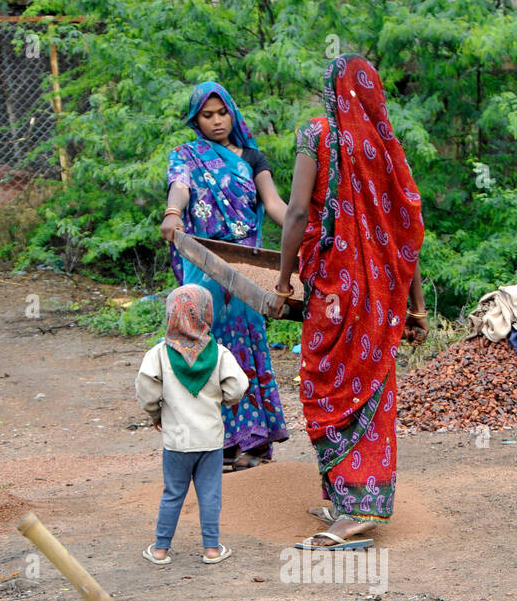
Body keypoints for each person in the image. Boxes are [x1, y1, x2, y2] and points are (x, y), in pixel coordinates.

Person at [275, 54, 428, 549]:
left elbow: (297, 212)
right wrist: (415, 307)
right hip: (380, 297)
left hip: (336, 292)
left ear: (328, 89)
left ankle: (357, 510)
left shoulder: (315, 135)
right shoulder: (386, 147)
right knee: (370, 389)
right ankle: (349, 495)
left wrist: (282, 281)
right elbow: (404, 235)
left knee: (326, 387)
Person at [160, 81, 289, 471]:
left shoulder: (252, 157)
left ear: (233, 112)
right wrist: (172, 213)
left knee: (248, 349)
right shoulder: (186, 157)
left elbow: (275, 205)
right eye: (207, 115)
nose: (217, 121)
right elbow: (180, 188)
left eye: (222, 113)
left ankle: (253, 442)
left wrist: (309, 231)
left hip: (246, 269)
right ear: (195, 120)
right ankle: (217, 444)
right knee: (206, 350)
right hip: (205, 265)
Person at [135, 284, 248, 566]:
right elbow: (237, 387)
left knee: (173, 493)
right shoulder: (219, 354)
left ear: (171, 313)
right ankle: (211, 549)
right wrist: (221, 400)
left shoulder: (159, 354)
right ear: (206, 314)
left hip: (177, 441)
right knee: (210, 494)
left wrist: (156, 414)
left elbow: (147, 390)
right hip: (209, 441)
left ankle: (160, 550)